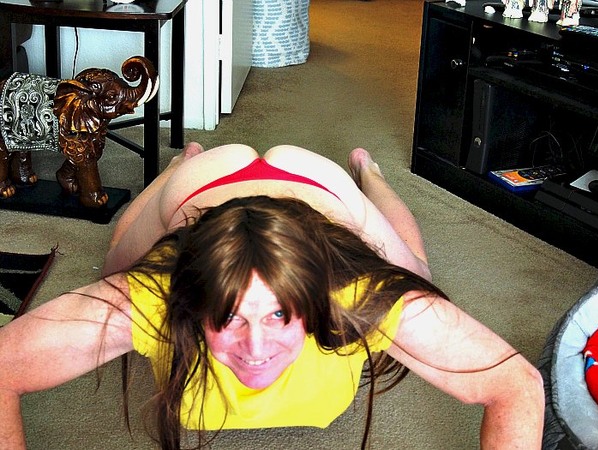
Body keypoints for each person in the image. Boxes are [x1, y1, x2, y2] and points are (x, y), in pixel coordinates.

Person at [0, 143, 544, 450]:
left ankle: (369, 171)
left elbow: (516, 384)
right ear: (191, 302)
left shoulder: (357, 295)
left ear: (315, 300)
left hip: (317, 187)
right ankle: (181, 164)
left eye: (280, 314)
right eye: (228, 317)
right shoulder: (153, 295)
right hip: (202, 189)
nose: (255, 349)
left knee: (417, 273)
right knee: (115, 265)